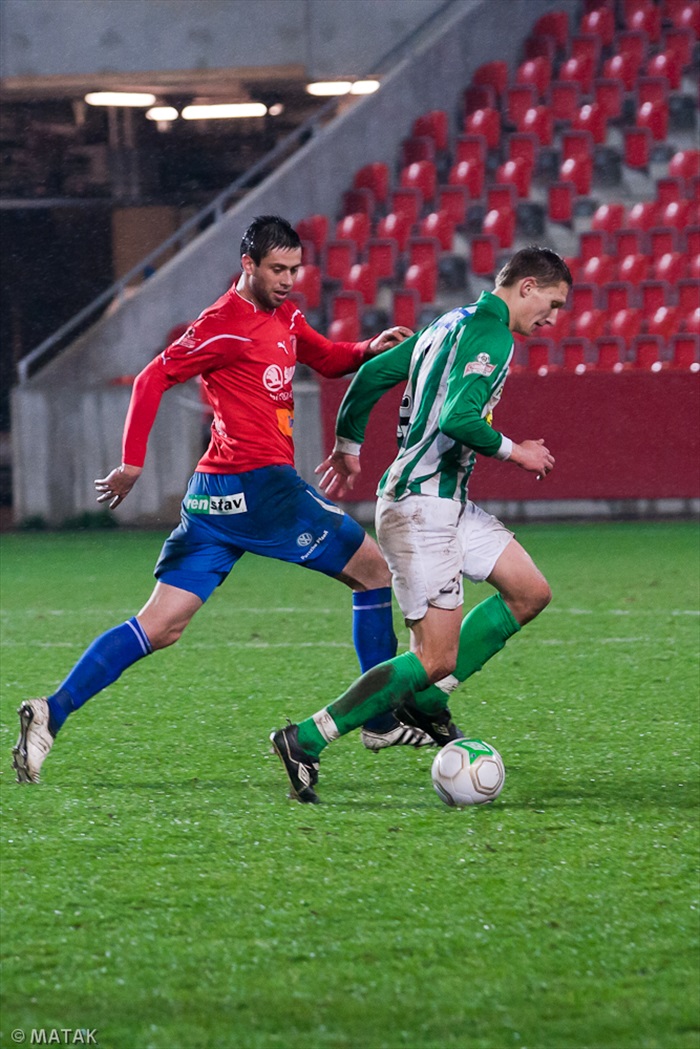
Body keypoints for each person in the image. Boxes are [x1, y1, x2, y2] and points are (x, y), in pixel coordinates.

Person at [13, 214, 437, 784]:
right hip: (260, 486)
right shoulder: (223, 324)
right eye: (277, 269)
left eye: (294, 269)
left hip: (212, 498)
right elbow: (149, 380)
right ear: (248, 265)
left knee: (160, 625)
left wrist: (367, 348)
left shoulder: (283, 314)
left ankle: (50, 713)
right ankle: (380, 718)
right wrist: (132, 462)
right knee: (373, 571)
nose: (288, 279)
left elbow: (327, 357)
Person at [270, 245, 573, 803]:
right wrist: (517, 451)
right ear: (526, 287)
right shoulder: (494, 335)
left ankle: (425, 699)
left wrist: (347, 442)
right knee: (434, 657)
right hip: (420, 510)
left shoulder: (447, 324)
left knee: (529, 592)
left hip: (445, 503)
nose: (553, 319)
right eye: (552, 304)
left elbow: (373, 374)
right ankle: (306, 738)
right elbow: (460, 417)